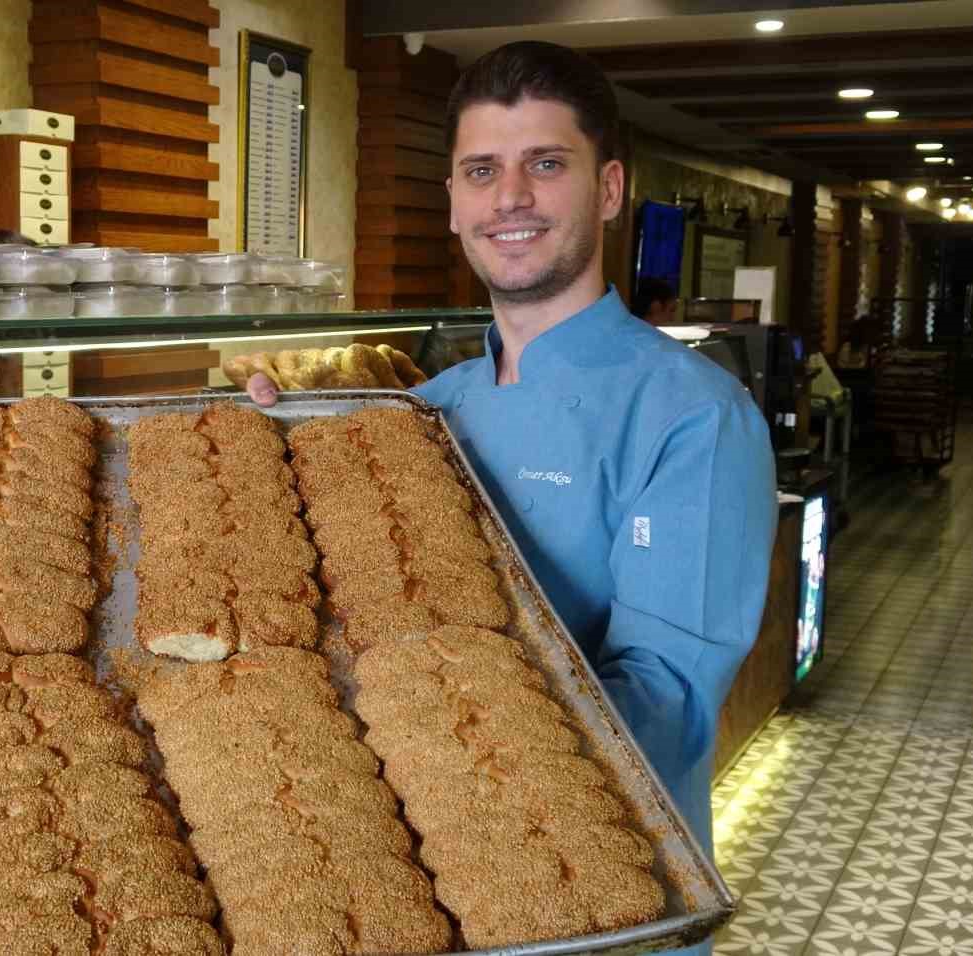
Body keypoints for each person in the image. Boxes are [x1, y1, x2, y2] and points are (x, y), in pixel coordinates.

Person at [246, 40, 777, 896]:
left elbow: (665, 697)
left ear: (608, 189)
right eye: (482, 171)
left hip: (598, 879)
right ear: (453, 202)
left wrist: (422, 742)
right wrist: (272, 460)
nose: (512, 198)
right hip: (424, 873)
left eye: (546, 163)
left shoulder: (695, 414)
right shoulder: (424, 410)